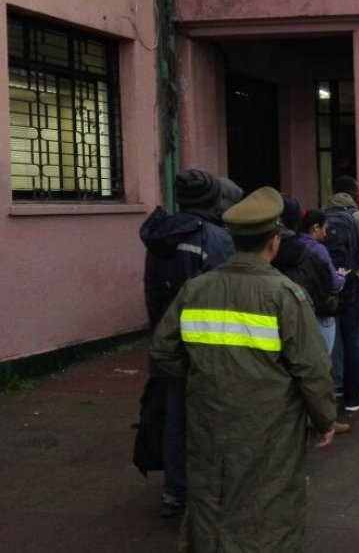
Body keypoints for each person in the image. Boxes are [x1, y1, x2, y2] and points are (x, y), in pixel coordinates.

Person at [149, 187, 337, 551]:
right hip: (270, 423)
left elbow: (163, 350)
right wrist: (324, 419)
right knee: (269, 501)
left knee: (210, 494)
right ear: (274, 242)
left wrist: (200, 383)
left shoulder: (196, 289)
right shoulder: (285, 295)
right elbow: (312, 369)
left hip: (209, 416)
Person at [138, 168, 236, 518]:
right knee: (210, 421)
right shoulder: (215, 239)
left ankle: (175, 492)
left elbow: (152, 291)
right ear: (213, 201)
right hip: (207, 346)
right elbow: (228, 293)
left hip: (167, 342)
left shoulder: (160, 235)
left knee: (174, 419)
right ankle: (208, 492)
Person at [324, 176, 359, 413]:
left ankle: (336, 383)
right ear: (353, 194)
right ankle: (358, 387)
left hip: (328, 283)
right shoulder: (357, 216)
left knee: (334, 334)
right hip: (355, 280)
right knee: (357, 336)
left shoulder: (323, 214)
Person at [297, 208, 346, 355]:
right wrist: (341, 276)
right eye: (324, 229)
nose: (325, 234)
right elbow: (335, 284)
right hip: (320, 309)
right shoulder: (319, 249)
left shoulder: (293, 245)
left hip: (299, 309)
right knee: (323, 357)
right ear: (315, 227)